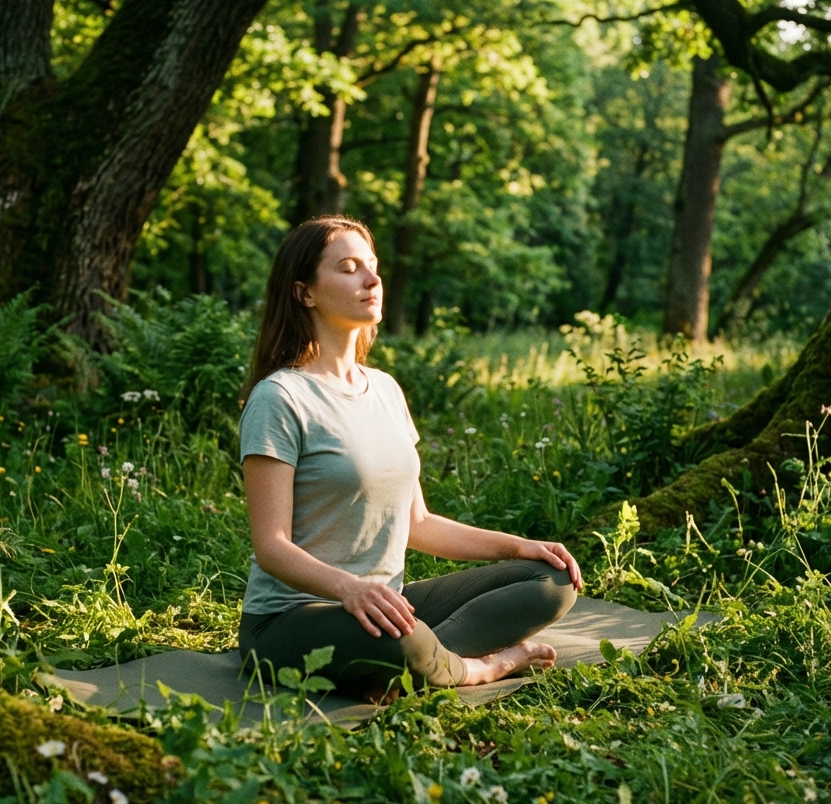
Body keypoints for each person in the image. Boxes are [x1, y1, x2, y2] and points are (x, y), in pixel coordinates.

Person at [238, 215, 582, 697]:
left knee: (551, 581)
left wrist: (518, 546)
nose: (372, 280)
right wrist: (348, 588)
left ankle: (417, 664)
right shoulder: (281, 398)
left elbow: (417, 522)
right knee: (402, 640)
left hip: (386, 607)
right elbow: (271, 546)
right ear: (305, 293)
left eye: (373, 266)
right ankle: (479, 667)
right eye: (349, 268)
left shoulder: (384, 389)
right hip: (291, 619)